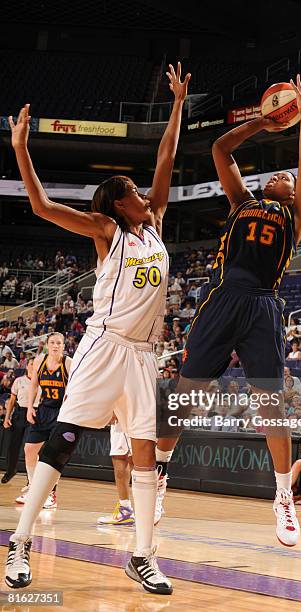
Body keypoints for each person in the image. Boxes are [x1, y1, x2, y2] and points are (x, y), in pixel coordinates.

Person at [5, 62, 190, 594]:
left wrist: (177, 104)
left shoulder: (153, 225)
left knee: (146, 450)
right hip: (104, 346)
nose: (143, 195)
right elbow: (41, 206)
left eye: (139, 190)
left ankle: (143, 555)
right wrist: (21, 148)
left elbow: (166, 159)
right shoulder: (109, 230)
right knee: (62, 441)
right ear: (116, 203)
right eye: (132, 191)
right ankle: (19, 543)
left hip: (142, 355)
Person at [155, 74, 301, 548]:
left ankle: (283, 496)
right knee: (188, 395)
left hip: (263, 305)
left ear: (292, 193)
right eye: (278, 174)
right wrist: (261, 123)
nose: (282, 175)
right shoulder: (242, 201)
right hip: (222, 298)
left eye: (286, 178)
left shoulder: (296, 216)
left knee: (272, 405)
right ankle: (160, 474)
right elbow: (221, 151)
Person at [15, 333, 71, 509]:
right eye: (52, 342)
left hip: (61, 412)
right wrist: (30, 407)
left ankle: (51, 495)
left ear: (64, 346)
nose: (55, 346)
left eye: (59, 343)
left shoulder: (68, 363)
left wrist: (67, 412)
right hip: (44, 410)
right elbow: (33, 385)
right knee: (29, 450)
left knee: (52, 456)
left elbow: (73, 390)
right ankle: (33, 488)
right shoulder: (40, 361)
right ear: (47, 345)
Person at [1, 359, 42, 484]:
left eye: (36, 364)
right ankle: (11, 470)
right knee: (14, 445)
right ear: (26, 366)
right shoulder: (19, 381)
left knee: (31, 448)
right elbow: (12, 401)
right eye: (31, 363)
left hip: (35, 414)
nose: (33, 366)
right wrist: (7, 417)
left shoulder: (42, 382)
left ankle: (31, 478)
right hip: (19, 414)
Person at [97, 417, 135, 526]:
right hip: (135, 417)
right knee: (132, 459)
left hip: (125, 418)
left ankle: (126, 510)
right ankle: (136, 510)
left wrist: (113, 410)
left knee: (121, 458)